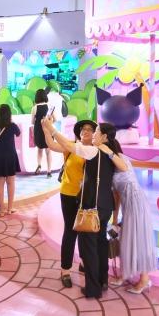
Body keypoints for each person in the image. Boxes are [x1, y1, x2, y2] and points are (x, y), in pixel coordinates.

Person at [43, 118, 127, 299]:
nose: (90, 133)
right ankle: (100, 280)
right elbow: (123, 167)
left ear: (103, 137)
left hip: (91, 206)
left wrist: (51, 128)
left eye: (94, 131)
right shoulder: (109, 152)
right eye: (85, 129)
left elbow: (68, 145)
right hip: (101, 204)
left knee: (89, 246)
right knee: (97, 242)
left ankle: (93, 287)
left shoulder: (92, 150)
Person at [44, 119, 97, 288]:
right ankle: (65, 270)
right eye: (83, 129)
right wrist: (45, 128)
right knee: (70, 231)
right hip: (68, 193)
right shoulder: (71, 146)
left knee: (85, 230)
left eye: (89, 129)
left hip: (87, 196)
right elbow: (52, 145)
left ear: (95, 134)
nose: (85, 131)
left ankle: (83, 262)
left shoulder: (95, 150)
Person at [110, 150, 157, 294]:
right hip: (128, 205)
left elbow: (124, 170)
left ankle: (144, 279)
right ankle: (125, 274)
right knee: (126, 239)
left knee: (139, 240)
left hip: (136, 203)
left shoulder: (119, 159)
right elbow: (117, 195)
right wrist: (114, 219)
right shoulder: (111, 164)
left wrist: (108, 152)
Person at [0, 104, 21, 217]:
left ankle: (1, 210)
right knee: (11, 183)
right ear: (9, 114)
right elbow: (18, 133)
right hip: (10, 155)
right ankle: (10, 208)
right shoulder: (12, 125)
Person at [31, 88, 51, 177]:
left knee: (39, 149)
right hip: (48, 130)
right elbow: (55, 119)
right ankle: (49, 171)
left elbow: (32, 122)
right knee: (48, 151)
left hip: (38, 130)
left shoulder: (34, 108)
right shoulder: (49, 106)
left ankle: (39, 165)